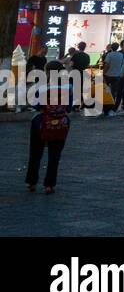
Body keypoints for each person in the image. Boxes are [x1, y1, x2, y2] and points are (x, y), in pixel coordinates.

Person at [26, 61, 72, 194]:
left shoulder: (41, 87)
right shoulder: (68, 88)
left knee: (35, 153)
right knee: (54, 155)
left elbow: (35, 106)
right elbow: (68, 109)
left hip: (41, 122)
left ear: (47, 72)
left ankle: (32, 182)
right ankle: (49, 185)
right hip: (61, 123)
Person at [21, 42, 48, 111]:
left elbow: (44, 68)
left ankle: (34, 105)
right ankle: (28, 105)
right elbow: (27, 68)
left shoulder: (44, 59)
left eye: (46, 52)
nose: (45, 53)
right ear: (40, 49)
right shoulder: (33, 58)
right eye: (44, 51)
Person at [100, 42, 123, 117]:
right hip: (117, 75)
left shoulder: (109, 55)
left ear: (111, 48)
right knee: (113, 92)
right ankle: (111, 108)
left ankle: (105, 108)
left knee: (106, 91)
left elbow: (107, 65)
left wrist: (103, 73)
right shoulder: (121, 55)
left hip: (108, 75)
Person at [68, 42, 90, 111]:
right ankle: (77, 106)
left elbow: (70, 65)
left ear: (78, 47)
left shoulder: (75, 55)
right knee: (80, 90)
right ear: (85, 47)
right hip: (83, 74)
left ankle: (71, 105)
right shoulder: (87, 56)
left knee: (72, 90)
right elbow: (87, 65)